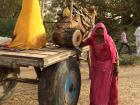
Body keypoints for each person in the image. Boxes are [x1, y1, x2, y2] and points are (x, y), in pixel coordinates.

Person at [81, 23, 119, 105]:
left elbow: (115, 54)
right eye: (98, 29)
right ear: (95, 30)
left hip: (108, 68)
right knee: (95, 88)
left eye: (102, 29)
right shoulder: (92, 39)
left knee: (105, 89)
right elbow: (82, 43)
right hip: (97, 68)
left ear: (104, 30)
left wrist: (116, 68)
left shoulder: (108, 40)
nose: (100, 30)